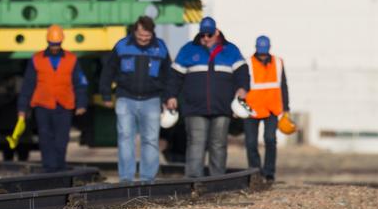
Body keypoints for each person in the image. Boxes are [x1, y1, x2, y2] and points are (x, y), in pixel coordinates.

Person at [167, 16, 249, 178]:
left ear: (216, 33)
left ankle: (216, 180)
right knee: (196, 143)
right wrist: (171, 96)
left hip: (222, 107)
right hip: (194, 107)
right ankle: (193, 180)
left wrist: (242, 89)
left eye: (209, 35)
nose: (205, 38)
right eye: (203, 35)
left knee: (218, 144)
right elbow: (174, 77)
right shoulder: (188, 50)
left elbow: (242, 74)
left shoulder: (231, 50)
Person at [99, 16, 171, 183]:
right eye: (140, 36)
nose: (144, 39)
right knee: (125, 138)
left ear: (152, 33)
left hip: (152, 100)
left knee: (151, 140)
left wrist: (168, 97)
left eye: (147, 36)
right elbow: (108, 70)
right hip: (126, 99)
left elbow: (168, 76)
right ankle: (126, 178)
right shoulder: (122, 46)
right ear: (134, 31)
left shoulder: (160, 47)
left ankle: (148, 178)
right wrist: (106, 94)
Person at [17, 24, 89, 174]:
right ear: (47, 42)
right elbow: (28, 85)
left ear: (61, 42)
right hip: (42, 105)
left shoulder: (72, 59)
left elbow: (80, 83)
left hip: (64, 105)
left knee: (62, 139)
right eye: (52, 44)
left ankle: (59, 166)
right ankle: (49, 168)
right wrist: (22, 109)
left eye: (57, 44)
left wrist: (81, 103)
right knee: (45, 137)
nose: (54, 47)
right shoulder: (36, 59)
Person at [244, 35, 290, 183]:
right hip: (252, 109)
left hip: (272, 108)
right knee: (251, 142)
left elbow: (283, 86)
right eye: (260, 51)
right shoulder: (248, 63)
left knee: (270, 140)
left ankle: (269, 172)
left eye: (264, 51)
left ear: (269, 49)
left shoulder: (278, 62)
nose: (262, 54)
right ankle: (256, 171)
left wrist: (286, 108)